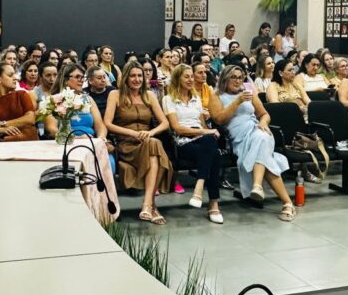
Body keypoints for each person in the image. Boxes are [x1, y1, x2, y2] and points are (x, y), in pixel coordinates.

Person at [209, 65, 296, 221]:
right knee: (267, 160)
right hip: (238, 138)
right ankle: (287, 203)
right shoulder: (216, 95)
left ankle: (257, 186)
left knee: (261, 137)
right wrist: (238, 101)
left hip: (257, 129)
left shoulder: (248, 92)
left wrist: (263, 122)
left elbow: (264, 114)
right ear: (225, 78)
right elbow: (219, 119)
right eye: (233, 77)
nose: (237, 81)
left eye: (240, 77)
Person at [103, 61, 173, 225]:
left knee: (153, 144)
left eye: (140, 76)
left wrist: (150, 132)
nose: (137, 79)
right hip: (126, 144)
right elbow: (107, 123)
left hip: (147, 141)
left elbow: (165, 123)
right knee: (155, 146)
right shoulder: (115, 95)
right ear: (126, 78)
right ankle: (151, 205)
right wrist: (133, 133)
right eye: (133, 76)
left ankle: (147, 205)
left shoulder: (149, 95)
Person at [163, 65, 223, 224]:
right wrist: (206, 132)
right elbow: (176, 128)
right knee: (213, 153)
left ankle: (199, 187)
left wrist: (207, 130)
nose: (191, 80)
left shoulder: (196, 99)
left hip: (201, 139)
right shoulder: (168, 99)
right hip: (182, 142)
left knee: (211, 145)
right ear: (178, 78)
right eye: (186, 77)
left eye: (191, 76)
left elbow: (202, 124)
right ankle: (213, 204)